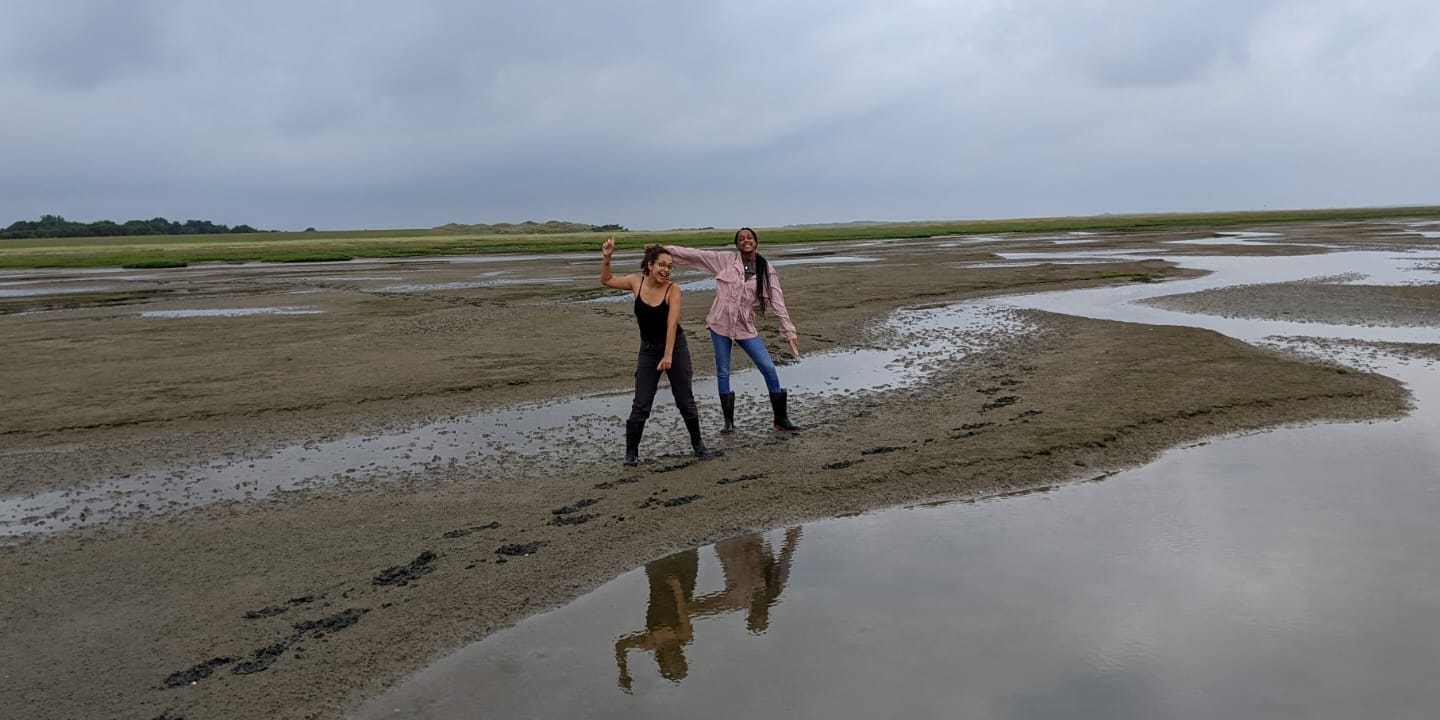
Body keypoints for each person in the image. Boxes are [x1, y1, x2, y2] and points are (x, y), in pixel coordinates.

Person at [664, 227, 801, 432]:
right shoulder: (725, 260)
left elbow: (777, 300)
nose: (746, 240)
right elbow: (695, 255)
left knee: (768, 368)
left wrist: (789, 331)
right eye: (741, 238)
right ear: (737, 244)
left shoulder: (766, 269)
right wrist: (663, 250)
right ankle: (729, 423)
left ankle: (780, 419)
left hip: (745, 326)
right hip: (719, 324)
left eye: (749, 237)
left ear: (756, 242)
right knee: (723, 371)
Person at [600, 238, 712, 465]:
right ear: (650, 265)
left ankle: (698, 445)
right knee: (641, 403)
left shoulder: (674, 290)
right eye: (661, 265)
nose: (666, 270)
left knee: (684, 400)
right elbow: (607, 280)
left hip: (675, 348)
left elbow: (672, 324)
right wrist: (607, 258)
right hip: (648, 350)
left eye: (669, 267)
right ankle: (631, 454)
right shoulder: (635, 282)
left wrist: (669, 355)